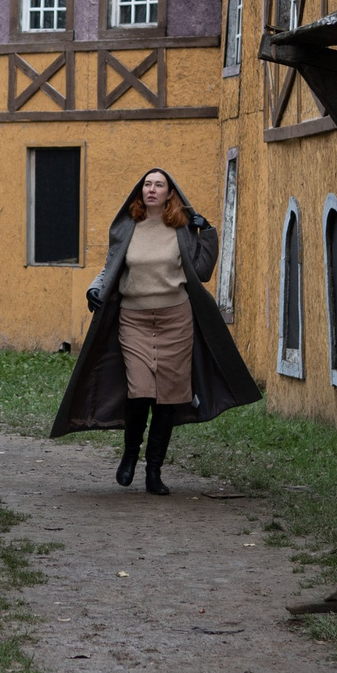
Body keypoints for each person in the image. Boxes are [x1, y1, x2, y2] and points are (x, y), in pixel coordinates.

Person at [49, 167, 261, 494]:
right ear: (141, 191)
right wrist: (96, 288)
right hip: (133, 319)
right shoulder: (126, 228)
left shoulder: (182, 230)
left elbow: (203, 273)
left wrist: (208, 233)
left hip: (176, 320)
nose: (151, 189)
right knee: (140, 390)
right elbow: (111, 267)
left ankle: (154, 472)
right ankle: (130, 457)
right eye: (147, 184)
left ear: (169, 193)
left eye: (159, 185)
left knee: (169, 396)